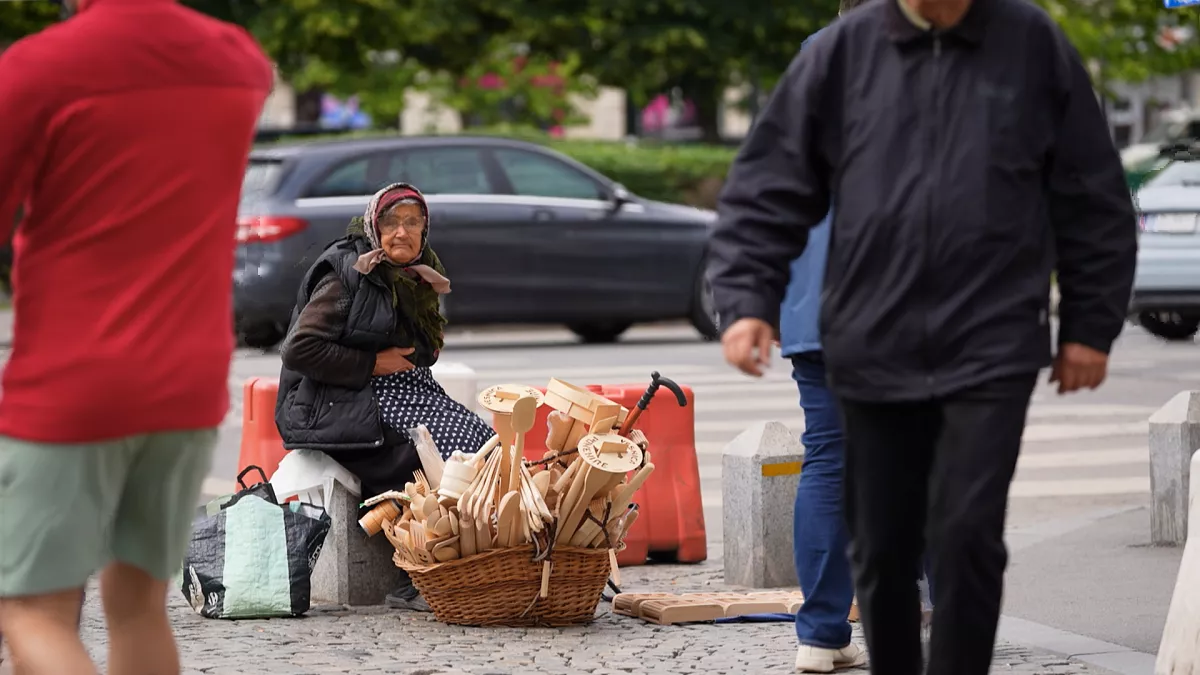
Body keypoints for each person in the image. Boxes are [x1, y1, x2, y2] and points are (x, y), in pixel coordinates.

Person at [707, 0, 1138, 672]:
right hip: (872, 339)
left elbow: (1091, 190)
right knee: (881, 543)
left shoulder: (1031, 45)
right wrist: (745, 300)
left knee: (966, 533)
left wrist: (1091, 322)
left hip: (991, 340)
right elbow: (769, 185)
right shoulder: (843, 52)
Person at [0, 0, 272, 672]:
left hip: (73, 380)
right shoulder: (236, 60)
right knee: (137, 603)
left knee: (31, 608)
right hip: (189, 379)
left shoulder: (41, 67)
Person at [275, 182, 495, 610]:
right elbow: (299, 350)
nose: (401, 233)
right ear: (374, 225)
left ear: (424, 229)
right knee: (425, 456)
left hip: (401, 389)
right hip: (331, 401)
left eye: (412, 223)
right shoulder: (347, 273)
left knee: (480, 443)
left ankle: (481, 561)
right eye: (391, 222)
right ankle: (416, 572)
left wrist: (418, 340)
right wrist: (371, 364)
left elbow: (423, 353)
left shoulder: (421, 272)